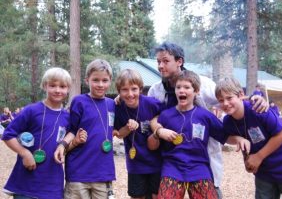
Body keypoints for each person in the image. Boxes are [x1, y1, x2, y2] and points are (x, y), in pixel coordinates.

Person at [147, 42, 267, 198]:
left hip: (200, 156)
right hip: (170, 160)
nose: (160, 66)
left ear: (179, 61)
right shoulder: (156, 90)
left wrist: (255, 100)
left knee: (212, 190)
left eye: (165, 61)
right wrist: (120, 101)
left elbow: (229, 100)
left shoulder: (202, 84)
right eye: (158, 62)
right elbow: (150, 116)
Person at [148, 70, 249, 199]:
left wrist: (239, 139)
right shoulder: (166, 116)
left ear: (196, 91)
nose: (181, 91)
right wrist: (158, 133)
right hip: (172, 168)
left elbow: (224, 137)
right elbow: (151, 145)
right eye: (178, 87)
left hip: (199, 168)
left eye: (186, 87)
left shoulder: (205, 116)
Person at [215, 77, 282, 199]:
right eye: (221, 100)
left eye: (229, 98)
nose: (225, 103)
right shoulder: (228, 121)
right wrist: (247, 160)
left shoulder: (257, 108)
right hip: (264, 171)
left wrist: (258, 157)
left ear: (241, 95)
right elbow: (231, 137)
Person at [1, 67, 72, 199]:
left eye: (62, 86)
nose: (57, 90)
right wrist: (25, 153)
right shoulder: (31, 110)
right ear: (45, 86)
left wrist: (63, 145)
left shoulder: (67, 117)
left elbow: (72, 133)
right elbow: (8, 135)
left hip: (53, 185)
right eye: (52, 85)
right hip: (26, 182)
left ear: (68, 89)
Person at [57, 59, 116, 199]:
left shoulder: (113, 104)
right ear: (87, 80)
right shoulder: (79, 101)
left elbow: (117, 131)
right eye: (95, 80)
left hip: (103, 173)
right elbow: (71, 130)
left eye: (105, 80)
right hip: (78, 172)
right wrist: (65, 144)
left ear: (110, 81)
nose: (100, 84)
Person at [114, 69, 165, 199]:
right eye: (124, 90)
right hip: (135, 164)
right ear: (119, 91)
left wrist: (156, 121)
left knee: (157, 195)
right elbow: (119, 135)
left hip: (156, 161)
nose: (130, 94)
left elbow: (166, 115)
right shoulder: (118, 108)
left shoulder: (151, 104)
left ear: (140, 89)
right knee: (137, 196)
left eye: (134, 89)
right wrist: (127, 127)